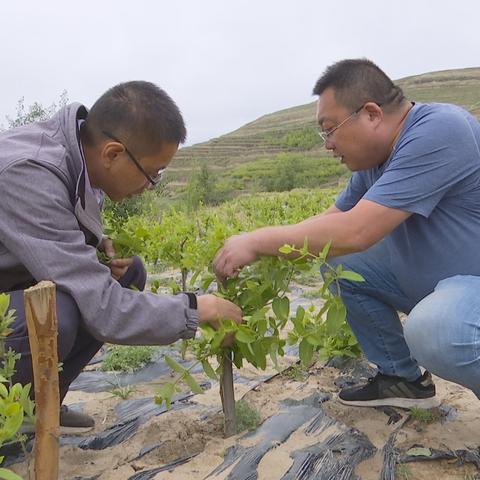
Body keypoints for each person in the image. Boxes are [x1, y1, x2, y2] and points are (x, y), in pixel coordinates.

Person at [214, 58, 480, 409]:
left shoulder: (441, 130)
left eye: (329, 128)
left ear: (371, 114)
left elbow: (357, 230)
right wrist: (260, 254)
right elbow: (330, 225)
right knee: (339, 260)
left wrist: (256, 240)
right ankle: (402, 380)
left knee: (434, 330)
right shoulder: (376, 162)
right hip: (442, 285)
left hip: (469, 291)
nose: (327, 144)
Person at [0, 81, 242, 433]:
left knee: (127, 274)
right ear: (113, 153)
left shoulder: (78, 156)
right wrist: (198, 308)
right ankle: (10, 416)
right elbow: (105, 310)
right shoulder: (28, 171)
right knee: (58, 312)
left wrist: (94, 242)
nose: (151, 186)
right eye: (152, 174)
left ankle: (40, 404)